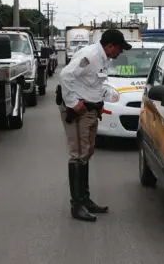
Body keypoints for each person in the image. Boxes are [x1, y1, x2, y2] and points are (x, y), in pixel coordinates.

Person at [58, 29, 132, 222]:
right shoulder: (90, 56)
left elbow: (94, 84)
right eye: (119, 48)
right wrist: (73, 102)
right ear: (109, 46)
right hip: (78, 111)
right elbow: (66, 75)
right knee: (78, 154)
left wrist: (105, 97)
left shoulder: (102, 59)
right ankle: (77, 205)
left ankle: (85, 199)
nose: (120, 53)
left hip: (91, 110)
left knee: (87, 152)